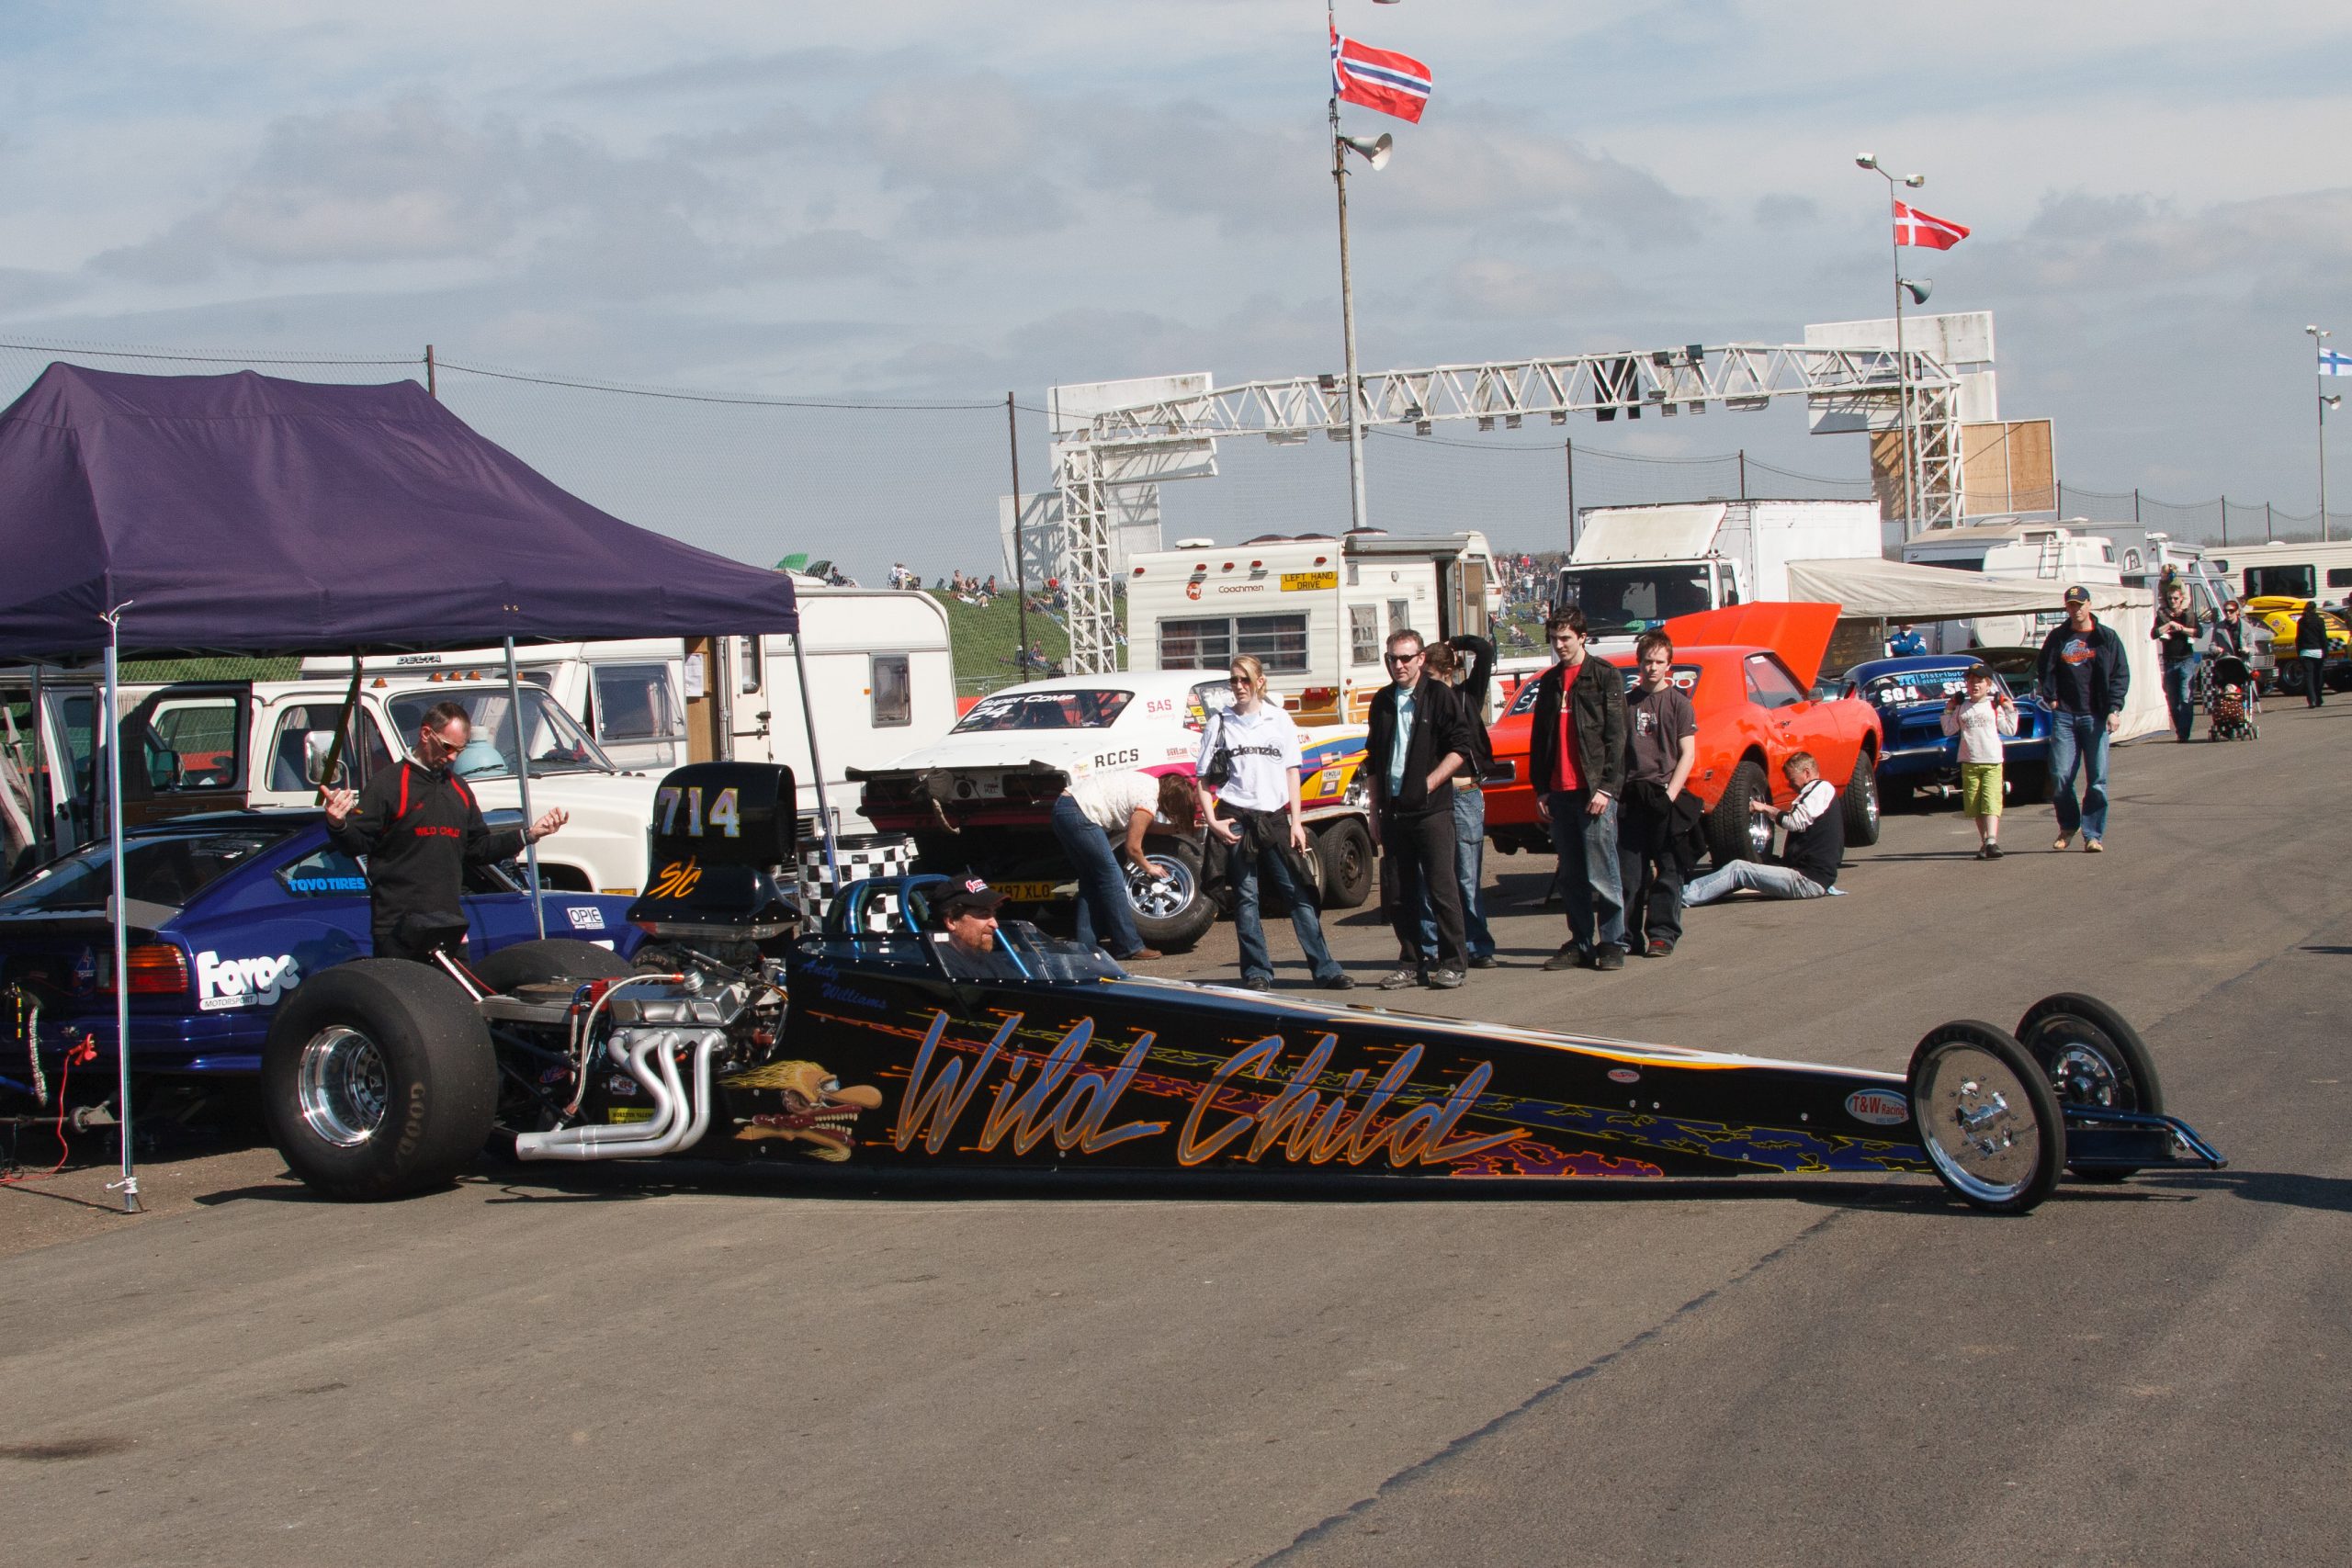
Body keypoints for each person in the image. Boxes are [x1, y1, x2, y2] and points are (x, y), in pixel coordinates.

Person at [323, 700, 568, 963]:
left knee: (454, 999)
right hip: (397, 927)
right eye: (448, 747)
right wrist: (338, 823)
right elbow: (356, 845)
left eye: (459, 751)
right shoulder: (389, 783)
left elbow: (477, 849)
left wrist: (529, 835)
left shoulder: (459, 789)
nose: (452, 757)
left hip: (448, 923)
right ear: (426, 734)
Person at [1195, 655, 1353, 991]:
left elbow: (1292, 772)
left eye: (1245, 680)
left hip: (1275, 817)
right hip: (1235, 818)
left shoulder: (1279, 720)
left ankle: (1325, 969)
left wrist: (1297, 822)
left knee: (1298, 892)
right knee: (1246, 897)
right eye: (1234, 681)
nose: (1238, 687)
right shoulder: (1219, 723)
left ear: (1260, 682)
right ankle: (1257, 972)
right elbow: (1203, 779)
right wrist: (1212, 821)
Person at [1365, 630, 1477, 990]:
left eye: (1405, 658)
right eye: (1392, 659)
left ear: (1421, 660)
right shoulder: (1382, 701)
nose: (1398, 665)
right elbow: (1373, 759)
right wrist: (1374, 811)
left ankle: (1453, 963)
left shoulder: (1439, 696)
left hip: (1432, 811)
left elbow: (1460, 748)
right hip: (1394, 812)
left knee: (1442, 887)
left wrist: (1428, 783)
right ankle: (1412, 963)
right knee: (1399, 892)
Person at [1528, 608, 1629, 971]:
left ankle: (1614, 941)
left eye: (1566, 638)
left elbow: (1617, 738)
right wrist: (1541, 788)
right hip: (1559, 792)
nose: (1560, 645)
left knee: (1603, 872)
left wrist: (1606, 788)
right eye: (1554, 639)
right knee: (1570, 875)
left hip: (1592, 792)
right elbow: (1541, 738)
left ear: (1582, 637)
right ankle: (1581, 941)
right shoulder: (1550, 681)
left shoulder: (1604, 676)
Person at [1049, 769, 1190, 961]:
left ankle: (1086, 948)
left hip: (1062, 809)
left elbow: (1143, 825)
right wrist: (1149, 867)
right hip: (1079, 814)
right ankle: (1129, 946)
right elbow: (1132, 848)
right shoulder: (1148, 800)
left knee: (1091, 880)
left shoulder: (1147, 783)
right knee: (1112, 879)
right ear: (1172, 802)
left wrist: (1175, 829)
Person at [1420, 634, 1499, 969]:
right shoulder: (1419, 704)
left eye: (1432, 677)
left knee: (1467, 877)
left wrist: (1454, 642)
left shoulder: (1466, 695)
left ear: (1447, 673)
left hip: (1465, 795)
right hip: (1432, 800)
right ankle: (1433, 947)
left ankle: (1476, 944)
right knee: (1430, 879)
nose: (1427, 684)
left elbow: (1484, 651)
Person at [1618, 630, 1698, 955]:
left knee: (1668, 870)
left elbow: (1688, 753)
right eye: (1647, 661)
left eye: (1659, 662)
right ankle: (1625, 936)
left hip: (1664, 794)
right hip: (1630, 796)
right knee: (1629, 875)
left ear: (1670, 665)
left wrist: (1670, 796)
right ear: (1638, 663)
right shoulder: (1626, 703)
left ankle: (1663, 934)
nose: (1652, 667)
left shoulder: (1679, 704)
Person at [2036, 584, 2130, 852]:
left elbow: (2120, 674)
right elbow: (2045, 668)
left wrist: (2114, 709)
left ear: (2090, 605)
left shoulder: (2105, 637)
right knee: (2060, 776)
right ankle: (2069, 825)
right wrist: (2051, 696)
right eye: (2070, 605)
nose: (2075, 610)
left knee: (2097, 780)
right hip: (2065, 714)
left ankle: (2093, 834)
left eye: (2079, 604)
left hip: (2096, 715)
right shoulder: (2058, 638)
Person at [1682, 752, 1844, 906]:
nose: (1789, 784)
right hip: (1810, 876)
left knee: (1739, 869)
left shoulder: (1821, 789)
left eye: (1791, 778)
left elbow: (1794, 822)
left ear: (1806, 773)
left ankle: (1682, 896)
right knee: (1752, 866)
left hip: (1807, 880)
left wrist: (1765, 808)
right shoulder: (1821, 794)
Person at [1940, 663, 2018, 858]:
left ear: (1988, 685)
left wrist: (2009, 709)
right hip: (1969, 761)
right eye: (1970, 681)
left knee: (1990, 800)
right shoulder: (1962, 707)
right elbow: (1949, 730)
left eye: (1979, 682)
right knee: (1975, 804)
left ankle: (1992, 839)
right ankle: (1985, 843)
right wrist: (1948, 710)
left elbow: (2010, 730)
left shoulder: (1993, 706)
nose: (1974, 685)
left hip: (1991, 760)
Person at [929, 875, 1027, 980]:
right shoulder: (944, 969)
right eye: (984, 915)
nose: (995, 924)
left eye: (993, 914)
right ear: (952, 921)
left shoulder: (986, 959)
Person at [2151, 581, 2204, 740]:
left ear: (2181, 599)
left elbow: (2199, 632)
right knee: (2172, 699)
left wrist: (2183, 629)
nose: (2172, 601)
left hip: (2187, 659)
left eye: (2175, 598)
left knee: (2185, 695)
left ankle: (2184, 733)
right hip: (2169, 661)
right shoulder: (2162, 615)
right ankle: (2180, 730)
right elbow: (2154, 634)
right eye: (2170, 598)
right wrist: (2169, 625)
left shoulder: (2189, 614)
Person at [2293, 600, 2330, 707]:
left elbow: (2298, 639)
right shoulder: (2319, 621)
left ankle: (2312, 700)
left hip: (2305, 652)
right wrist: (2325, 651)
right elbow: (2323, 638)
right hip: (2318, 651)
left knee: (2308, 677)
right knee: (2318, 676)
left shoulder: (2301, 621)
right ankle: (2319, 698)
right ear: (2315, 609)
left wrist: (2299, 652)